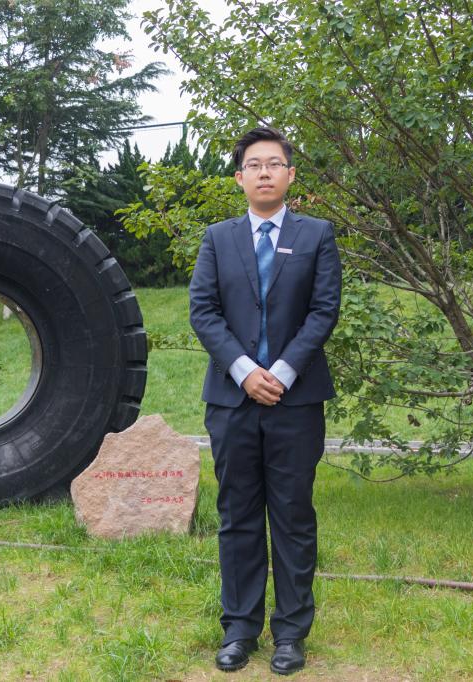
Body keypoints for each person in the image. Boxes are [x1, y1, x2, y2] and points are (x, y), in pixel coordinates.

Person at [189, 126, 342, 675]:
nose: (264, 173)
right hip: (231, 402)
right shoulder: (217, 239)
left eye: (274, 164)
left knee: (293, 515)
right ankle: (239, 629)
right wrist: (244, 371)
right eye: (254, 165)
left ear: (290, 174)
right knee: (237, 517)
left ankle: (291, 634)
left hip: (295, 402)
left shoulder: (317, 235)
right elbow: (203, 311)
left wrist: (279, 372)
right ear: (239, 178)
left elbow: (323, 311)